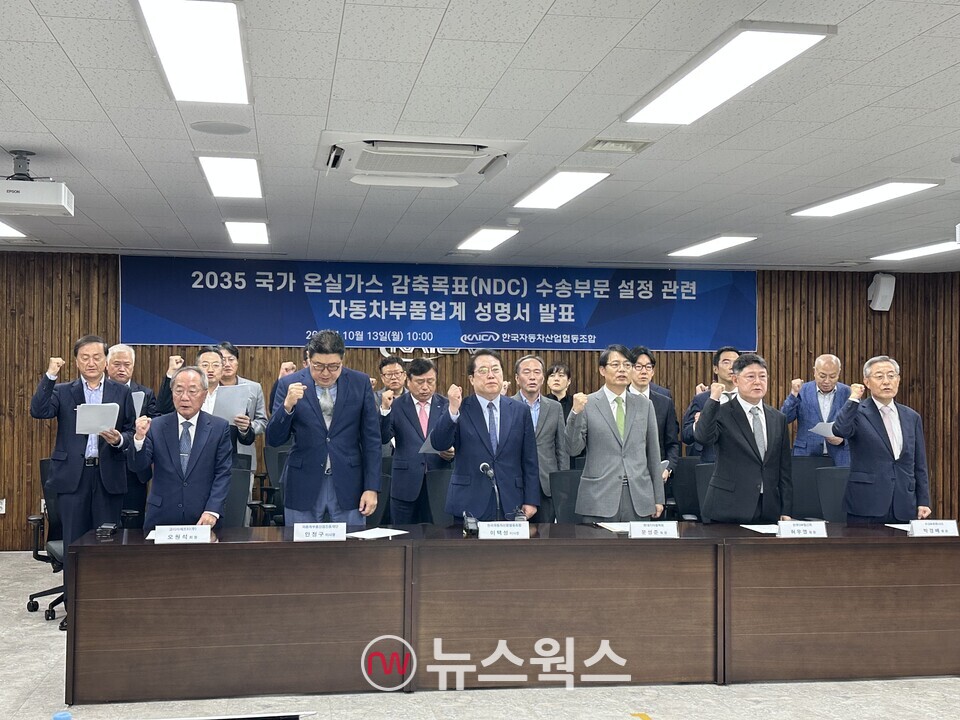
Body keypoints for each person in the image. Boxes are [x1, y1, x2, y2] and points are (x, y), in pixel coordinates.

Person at [30, 335, 136, 630]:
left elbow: (129, 431)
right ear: (76, 361)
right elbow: (38, 410)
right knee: (75, 545)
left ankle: (103, 607)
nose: (91, 363)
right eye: (84, 358)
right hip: (74, 477)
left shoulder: (120, 391)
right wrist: (50, 375)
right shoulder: (64, 391)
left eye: (97, 357)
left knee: (105, 546)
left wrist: (119, 440)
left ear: (105, 360)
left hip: (107, 476)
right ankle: (74, 611)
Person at [266, 330, 381, 525]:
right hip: (303, 480)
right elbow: (274, 439)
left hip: (349, 481)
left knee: (351, 550)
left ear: (342, 361)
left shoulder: (359, 383)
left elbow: (372, 439)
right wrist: (287, 407)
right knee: (301, 550)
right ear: (308, 358)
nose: (326, 373)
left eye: (333, 367)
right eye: (318, 366)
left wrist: (371, 487)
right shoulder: (287, 384)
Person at [431, 349, 539, 521]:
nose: (490, 375)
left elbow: (530, 459)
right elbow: (439, 443)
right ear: (471, 379)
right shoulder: (460, 408)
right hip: (469, 502)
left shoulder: (520, 410)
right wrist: (452, 409)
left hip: (511, 502)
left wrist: (531, 500)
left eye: (495, 370)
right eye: (483, 371)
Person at [565, 345, 663, 523]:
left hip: (638, 498)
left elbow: (654, 455)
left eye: (627, 365)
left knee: (638, 551)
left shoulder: (644, 405)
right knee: (599, 551)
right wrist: (575, 413)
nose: (622, 370)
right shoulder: (588, 403)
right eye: (616, 364)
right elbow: (572, 448)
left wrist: (658, 497)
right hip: (599, 497)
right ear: (602, 370)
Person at [127, 366, 232, 531]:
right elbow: (138, 467)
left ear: (204, 394)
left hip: (203, 515)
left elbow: (223, 473)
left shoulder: (219, 427)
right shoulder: (155, 426)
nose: (184, 397)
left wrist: (213, 510)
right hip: (162, 515)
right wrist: (139, 439)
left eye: (192, 391)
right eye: (179, 391)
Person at [831, 356, 931, 524]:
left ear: (898, 380)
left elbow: (919, 463)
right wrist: (854, 398)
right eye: (879, 376)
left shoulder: (911, 417)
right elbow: (840, 429)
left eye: (891, 376)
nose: (886, 381)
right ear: (867, 382)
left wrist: (923, 500)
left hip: (904, 503)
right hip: (867, 504)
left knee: (904, 551)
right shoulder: (857, 412)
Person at [694, 353, 792, 523]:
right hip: (730, 507)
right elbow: (703, 437)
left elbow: (784, 469)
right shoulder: (722, 412)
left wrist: (786, 509)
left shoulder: (778, 418)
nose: (757, 382)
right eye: (750, 376)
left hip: (769, 507)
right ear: (735, 380)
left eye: (762, 376)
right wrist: (713, 399)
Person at [379, 358, 454, 524]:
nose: (425, 387)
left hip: (438, 482)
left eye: (430, 381)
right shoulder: (396, 406)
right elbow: (384, 437)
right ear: (409, 380)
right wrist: (385, 410)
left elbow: (456, 438)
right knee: (402, 536)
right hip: (405, 484)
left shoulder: (447, 405)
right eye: (420, 382)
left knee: (439, 538)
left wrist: (452, 451)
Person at [106, 343, 160, 528]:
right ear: (106, 364)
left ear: (133, 366)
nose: (122, 369)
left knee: (135, 522)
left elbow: (156, 425)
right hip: (105, 464)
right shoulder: (97, 391)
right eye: (117, 364)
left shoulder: (145, 393)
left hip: (134, 468)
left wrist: (143, 428)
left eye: (127, 364)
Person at [513, 355, 568, 522]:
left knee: (546, 539)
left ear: (543, 378)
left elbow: (562, 449)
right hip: (516, 482)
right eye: (527, 372)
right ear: (517, 378)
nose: (532, 377)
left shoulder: (554, 407)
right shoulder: (507, 405)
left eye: (537, 372)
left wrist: (562, 485)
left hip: (547, 485)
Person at [780, 353, 851, 466]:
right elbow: (784, 418)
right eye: (822, 376)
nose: (827, 381)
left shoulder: (848, 393)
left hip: (839, 457)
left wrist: (844, 440)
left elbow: (859, 427)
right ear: (814, 372)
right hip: (806, 455)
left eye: (832, 376)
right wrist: (793, 394)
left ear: (839, 373)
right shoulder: (802, 391)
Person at [628, 346, 680, 484]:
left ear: (653, 371)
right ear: (629, 369)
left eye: (648, 367)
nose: (644, 371)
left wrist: (668, 469)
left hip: (657, 475)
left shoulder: (664, 402)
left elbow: (672, 443)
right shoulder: (619, 400)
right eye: (638, 366)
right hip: (625, 475)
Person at [681, 346, 740, 460]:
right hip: (710, 463)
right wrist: (700, 424)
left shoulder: (748, 397)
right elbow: (686, 436)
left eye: (736, 363)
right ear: (715, 369)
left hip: (741, 462)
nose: (732, 367)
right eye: (726, 362)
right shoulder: (702, 399)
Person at [216, 341, 268, 470]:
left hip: (242, 453)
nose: (227, 364)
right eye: (222, 360)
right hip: (213, 453)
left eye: (231, 359)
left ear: (237, 362)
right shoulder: (207, 388)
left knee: (242, 490)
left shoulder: (254, 388)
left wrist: (248, 426)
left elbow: (262, 422)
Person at [375, 355, 406, 457]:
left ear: (404, 375)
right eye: (388, 374)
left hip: (409, 457)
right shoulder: (372, 399)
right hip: (381, 456)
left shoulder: (415, 400)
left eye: (397, 373)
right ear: (382, 378)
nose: (393, 377)